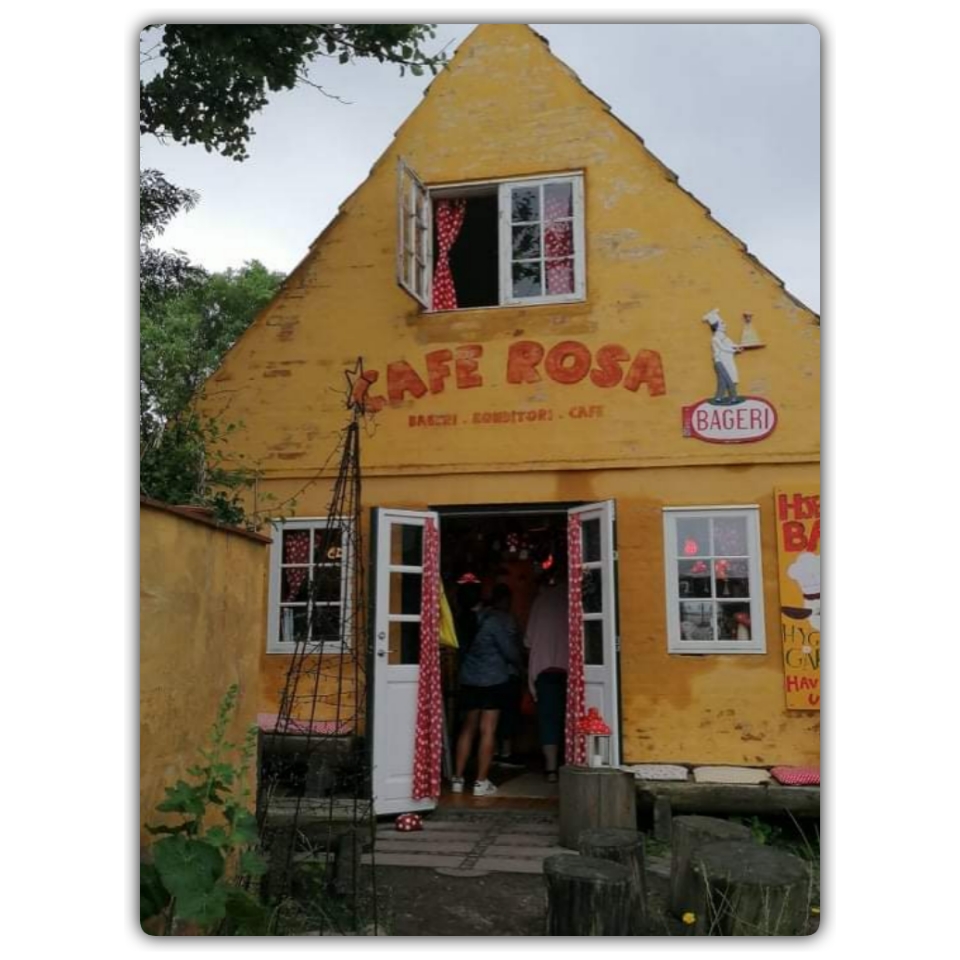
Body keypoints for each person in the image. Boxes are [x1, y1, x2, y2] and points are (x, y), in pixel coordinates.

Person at [451, 583, 521, 797]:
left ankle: (457, 779)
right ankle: (480, 782)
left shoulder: (459, 622)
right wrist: (519, 664)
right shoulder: (492, 622)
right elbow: (510, 652)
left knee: (467, 729)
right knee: (488, 730)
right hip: (493, 681)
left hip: (469, 680)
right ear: (481, 599)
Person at [525, 569, 569, 783]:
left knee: (548, 719)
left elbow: (528, 640)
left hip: (545, 669)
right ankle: (575, 761)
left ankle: (551, 769)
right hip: (572, 668)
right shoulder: (573, 599)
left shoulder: (541, 601)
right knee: (573, 717)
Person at [702, 308, 744, 405]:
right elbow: (723, 348)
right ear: (717, 326)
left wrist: (739, 346)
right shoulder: (715, 338)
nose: (725, 325)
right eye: (722, 323)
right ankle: (734, 397)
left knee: (722, 381)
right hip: (720, 362)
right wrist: (735, 350)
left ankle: (718, 397)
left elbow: (731, 344)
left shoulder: (725, 337)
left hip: (727, 360)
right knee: (729, 379)